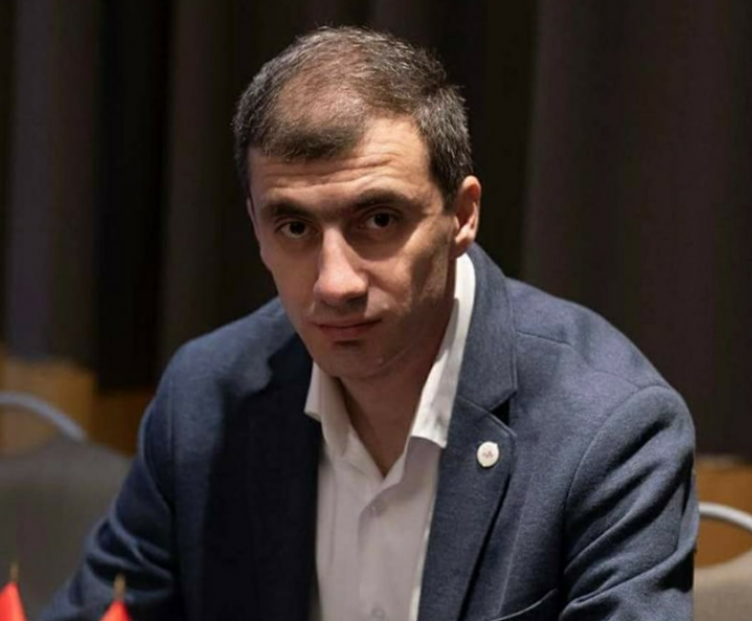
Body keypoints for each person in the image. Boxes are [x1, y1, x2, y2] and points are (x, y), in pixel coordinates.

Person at [40, 26, 697, 621]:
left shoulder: (610, 428)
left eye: (378, 220)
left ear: (462, 215)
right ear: (256, 228)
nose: (335, 283)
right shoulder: (205, 400)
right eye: (294, 227)